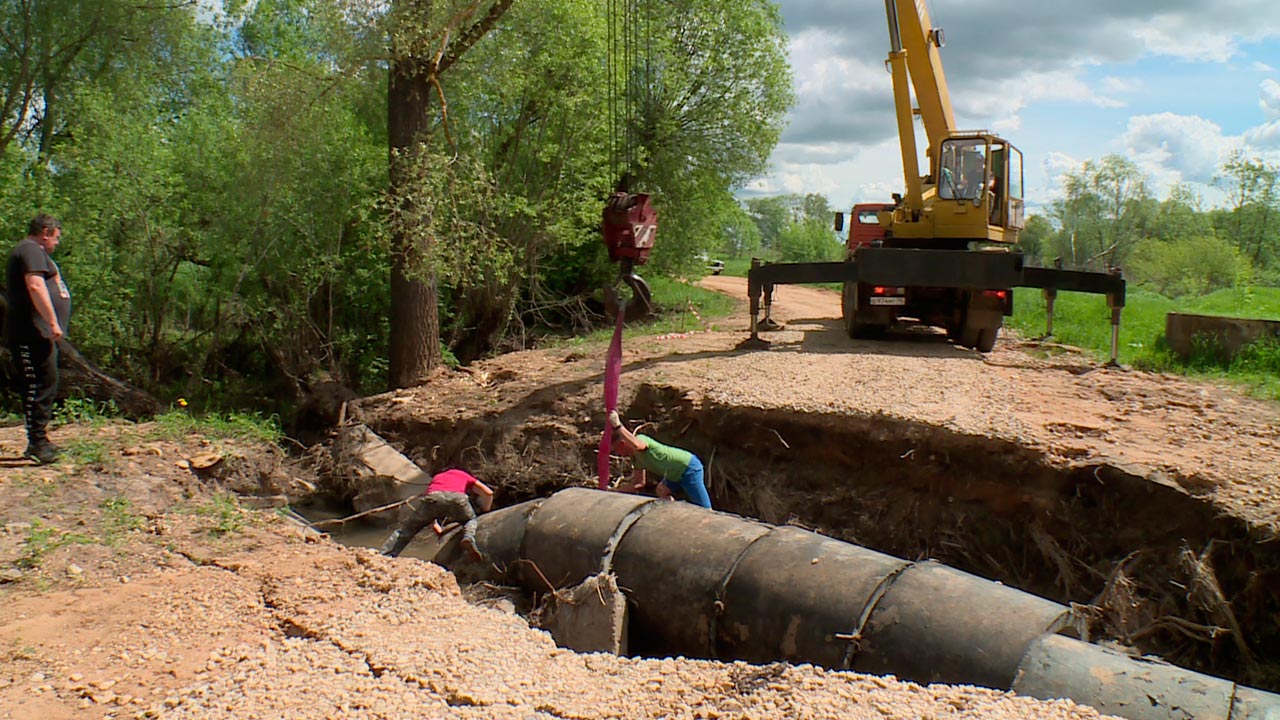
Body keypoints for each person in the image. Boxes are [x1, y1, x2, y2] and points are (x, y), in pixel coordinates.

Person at [6, 215, 70, 465]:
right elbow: (35, 286)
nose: (56, 243)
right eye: (56, 238)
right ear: (45, 232)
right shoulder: (30, 250)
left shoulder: (33, 252)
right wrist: (53, 322)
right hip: (29, 332)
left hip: (38, 332)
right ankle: (37, 443)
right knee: (38, 386)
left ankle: (41, 439)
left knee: (47, 383)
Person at [380, 468, 494, 560]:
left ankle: (385, 556)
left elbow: (429, 513)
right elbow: (488, 493)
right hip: (457, 498)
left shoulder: (438, 477)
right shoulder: (463, 475)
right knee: (470, 520)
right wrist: (485, 511)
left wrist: (438, 530)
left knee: (407, 531)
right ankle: (468, 537)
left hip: (434, 497)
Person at [607, 410, 712, 509]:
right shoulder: (636, 459)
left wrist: (618, 426)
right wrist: (614, 491)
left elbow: (637, 445)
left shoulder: (641, 439)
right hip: (674, 475)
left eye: (616, 449)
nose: (617, 453)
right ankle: (676, 514)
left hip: (688, 468)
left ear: (622, 444)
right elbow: (638, 483)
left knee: (704, 508)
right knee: (661, 490)